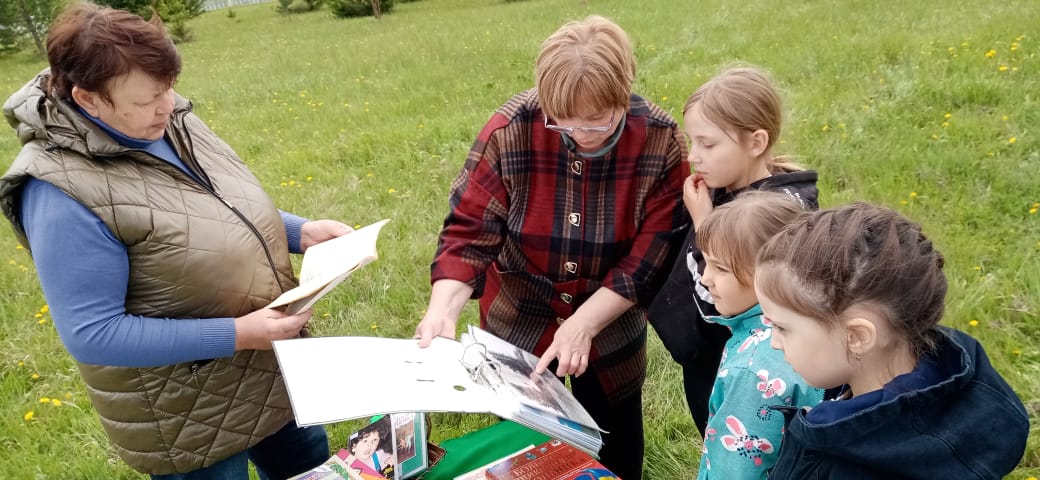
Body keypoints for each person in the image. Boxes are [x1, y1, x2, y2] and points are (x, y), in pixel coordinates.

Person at [0, 4, 350, 478]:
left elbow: (209, 205)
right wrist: (240, 334)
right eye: (147, 99)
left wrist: (300, 232)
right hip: (187, 414)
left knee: (312, 469)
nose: (167, 105)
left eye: (167, 88)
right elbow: (93, 333)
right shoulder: (58, 191)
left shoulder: (167, 115)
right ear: (89, 100)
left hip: (271, 372)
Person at [414, 15, 689, 480]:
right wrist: (444, 306)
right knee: (525, 460)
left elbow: (649, 259)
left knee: (614, 450)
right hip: (517, 326)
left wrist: (585, 322)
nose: (581, 139)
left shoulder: (660, 142)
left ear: (623, 93)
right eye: (564, 127)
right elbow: (468, 231)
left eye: (599, 125)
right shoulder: (511, 129)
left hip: (609, 333)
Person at [755, 203, 1029, 479]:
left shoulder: (836, 466)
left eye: (781, 327)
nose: (774, 342)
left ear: (857, 337)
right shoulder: (966, 390)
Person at [647, 65, 820, 435]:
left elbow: (724, 297)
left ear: (756, 142)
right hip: (709, 365)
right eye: (692, 142)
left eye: (708, 144)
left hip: (749, 379)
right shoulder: (720, 187)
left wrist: (704, 225)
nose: (694, 156)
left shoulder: (776, 215)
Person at [691, 191, 823, 479]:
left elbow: (735, 469)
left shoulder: (752, 371)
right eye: (706, 263)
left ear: (769, 275)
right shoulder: (813, 327)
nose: (705, 277)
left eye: (720, 268)